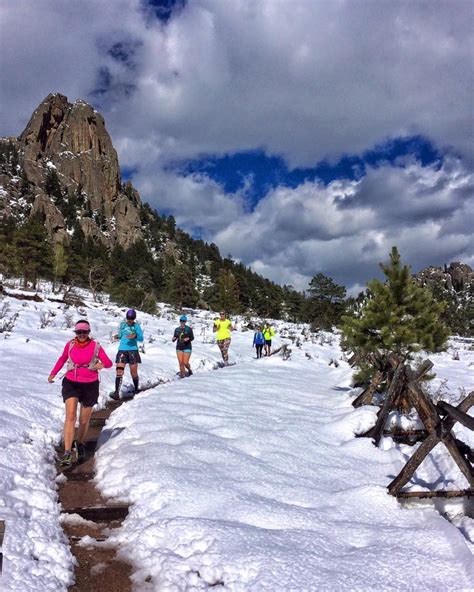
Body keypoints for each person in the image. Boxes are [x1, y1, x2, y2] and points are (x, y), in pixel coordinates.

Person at [48, 319, 112, 466]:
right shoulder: (70, 344)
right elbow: (62, 359)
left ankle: (80, 442)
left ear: (89, 332)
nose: (82, 334)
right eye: (79, 332)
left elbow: (108, 363)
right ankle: (67, 452)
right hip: (71, 382)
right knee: (70, 416)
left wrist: (100, 364)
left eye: (85, 332)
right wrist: (53, 373)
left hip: (90, 384)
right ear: (75, 333)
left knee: (84, 420)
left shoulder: (96, 346)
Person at [110, 309, 144, 400]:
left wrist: (135, 336)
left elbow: (141, 338)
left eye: (132, 319)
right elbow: (121, 335)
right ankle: (116, 392)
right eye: (129, 319)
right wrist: (118, 336)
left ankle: (136, 389)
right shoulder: (122, 324)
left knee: (133, 372)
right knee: (119, 370)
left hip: (133, 350)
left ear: (134, 319)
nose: (130, 321)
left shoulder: (136, 326)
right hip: (122, 350)